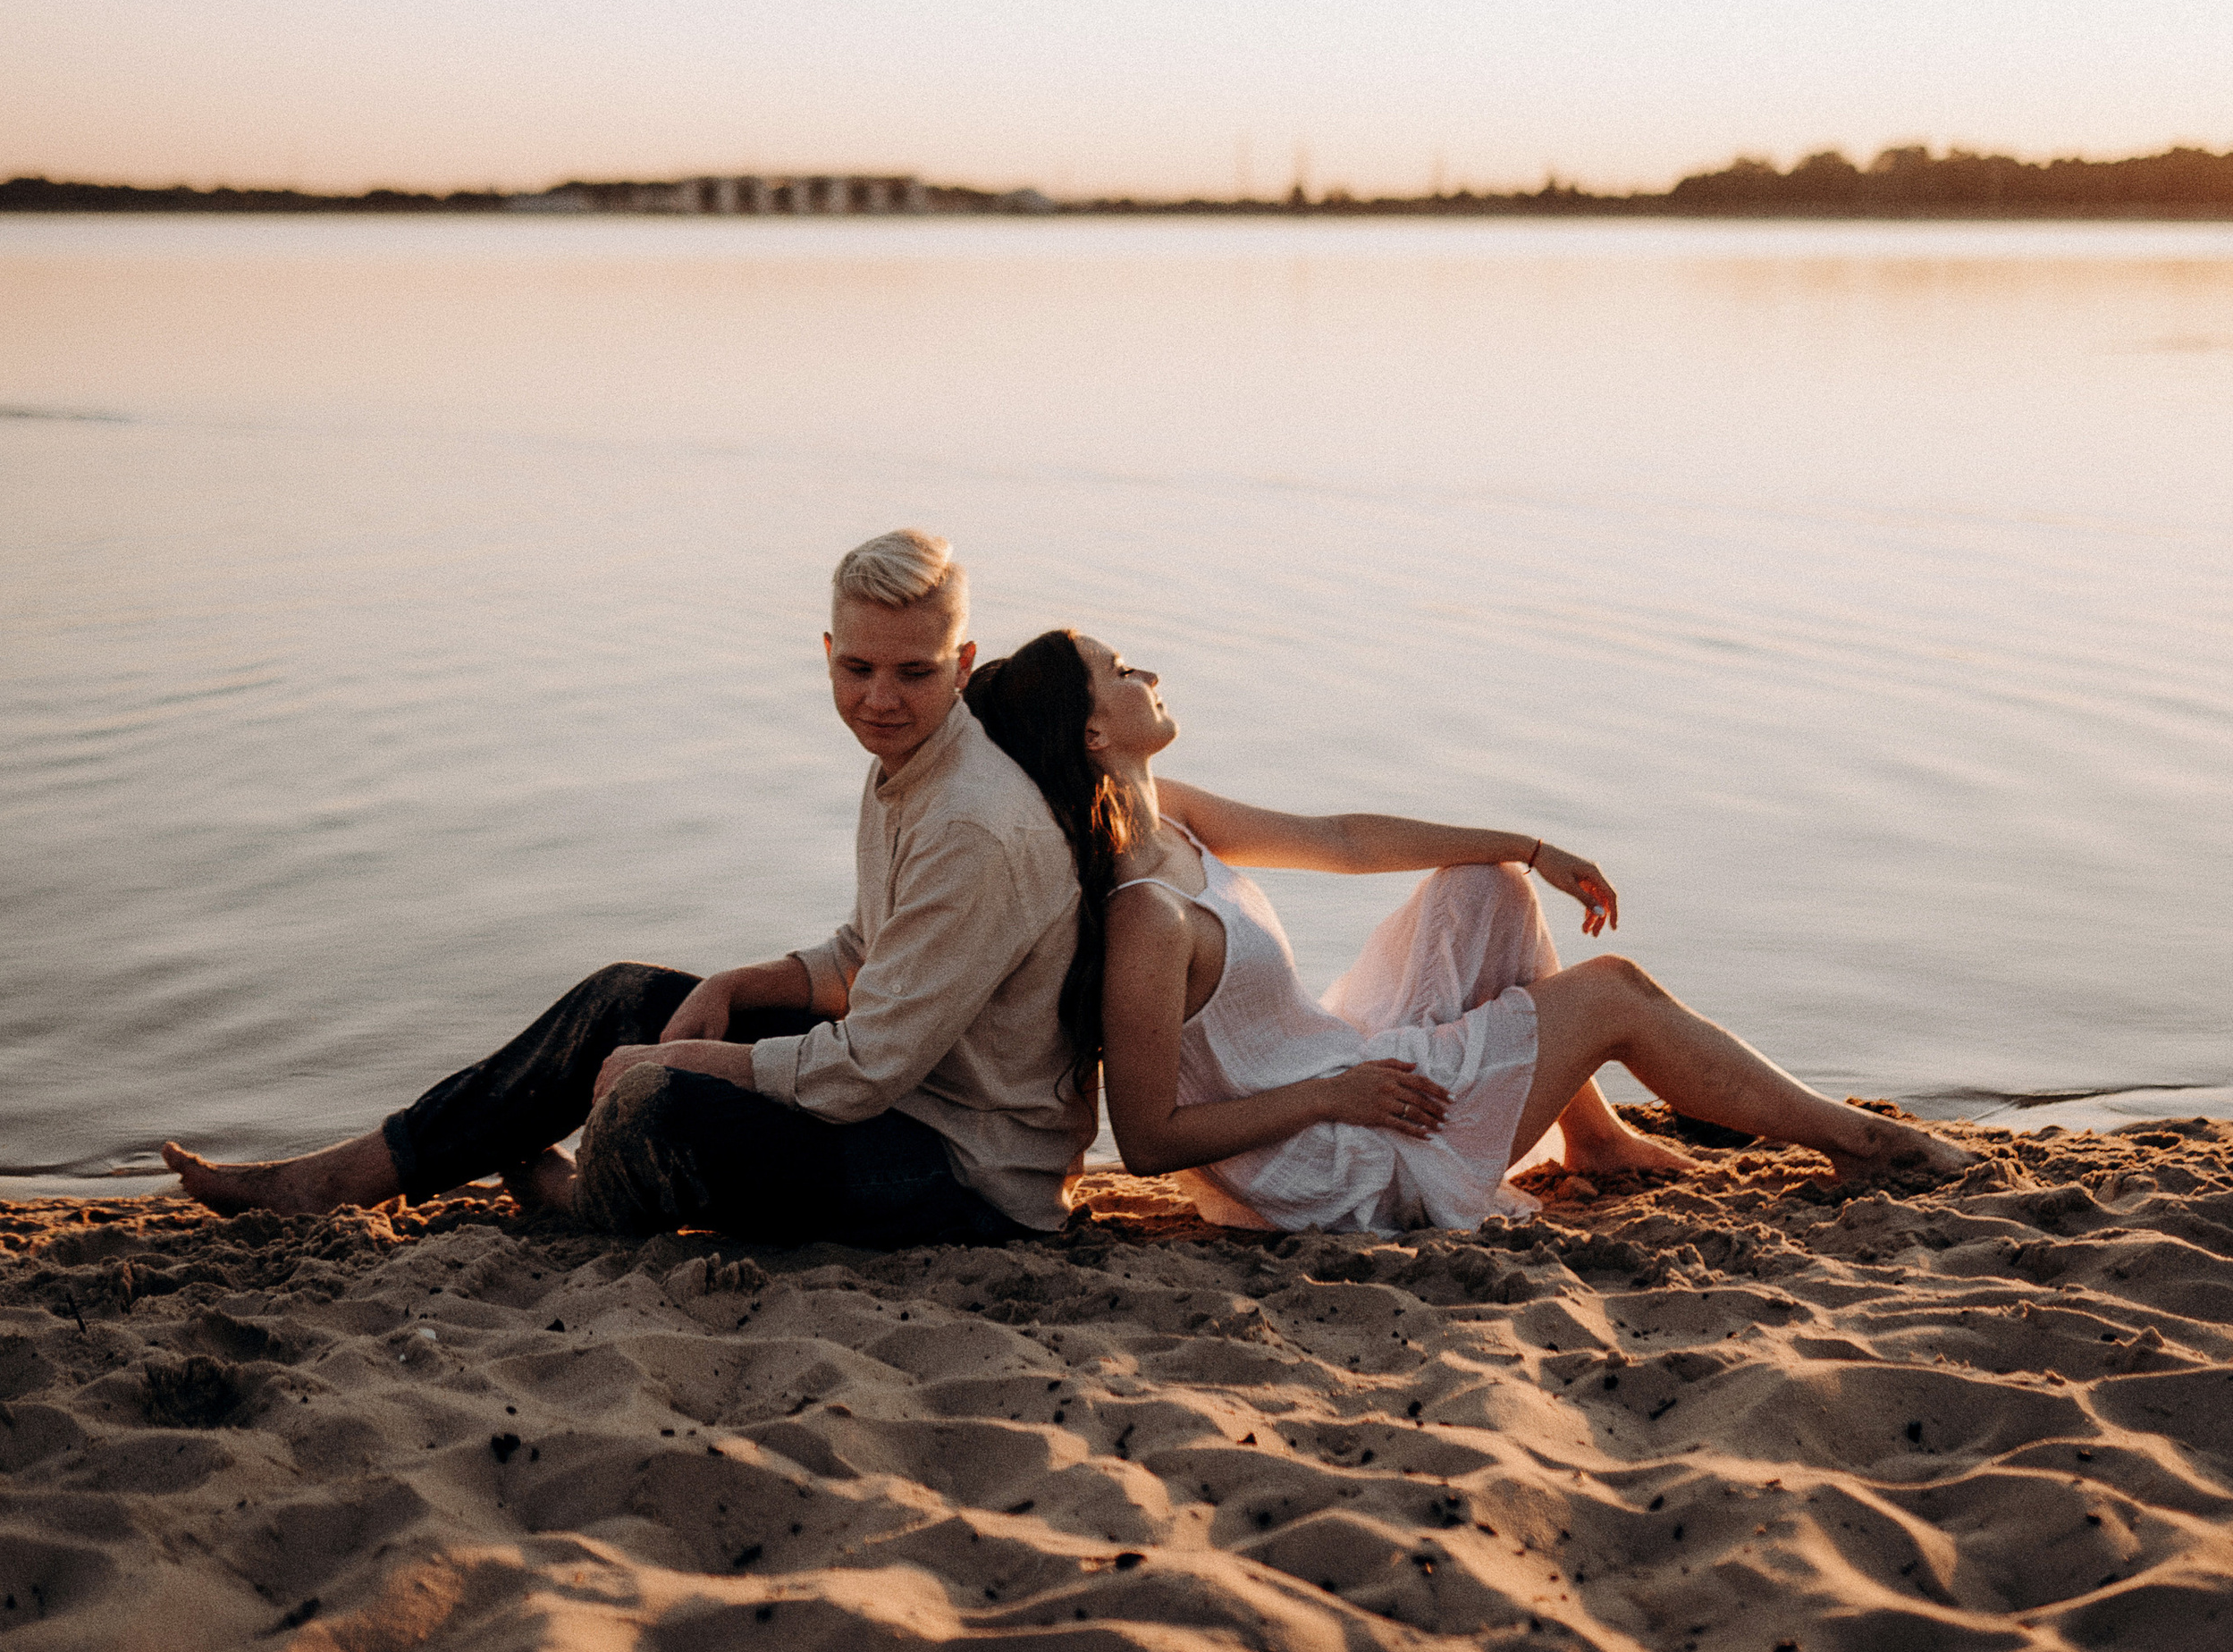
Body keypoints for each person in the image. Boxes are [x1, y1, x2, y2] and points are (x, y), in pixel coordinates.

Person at [164, 532, 1096, 1249]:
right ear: (827, 653)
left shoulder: (972, 824)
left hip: (965, 1174)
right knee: (626, 1000)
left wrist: (687, 1062)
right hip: (903, 1100)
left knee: (662, 1103)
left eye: (914, 673)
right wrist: (731, 986)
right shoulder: (913, 762)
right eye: (858, 669)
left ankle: (581, 1201)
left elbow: (863, 1072)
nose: (879, 699)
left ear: (962, 664)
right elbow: (865, 959)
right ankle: (339, 1179)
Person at [964, 628, 1968, 1236]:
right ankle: (1860, 1142)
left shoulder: (1167, 812)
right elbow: (1146, 1143)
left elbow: (1341, 839)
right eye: (1119, 668)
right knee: (1614, 991)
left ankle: (1595, 1139)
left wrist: (1528, 846)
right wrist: (1335, 1095)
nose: (1146, 670)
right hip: (1325, 1154)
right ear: (1094, 733)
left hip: (1335, 1067)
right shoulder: (1144, 913)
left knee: (1487, 890)